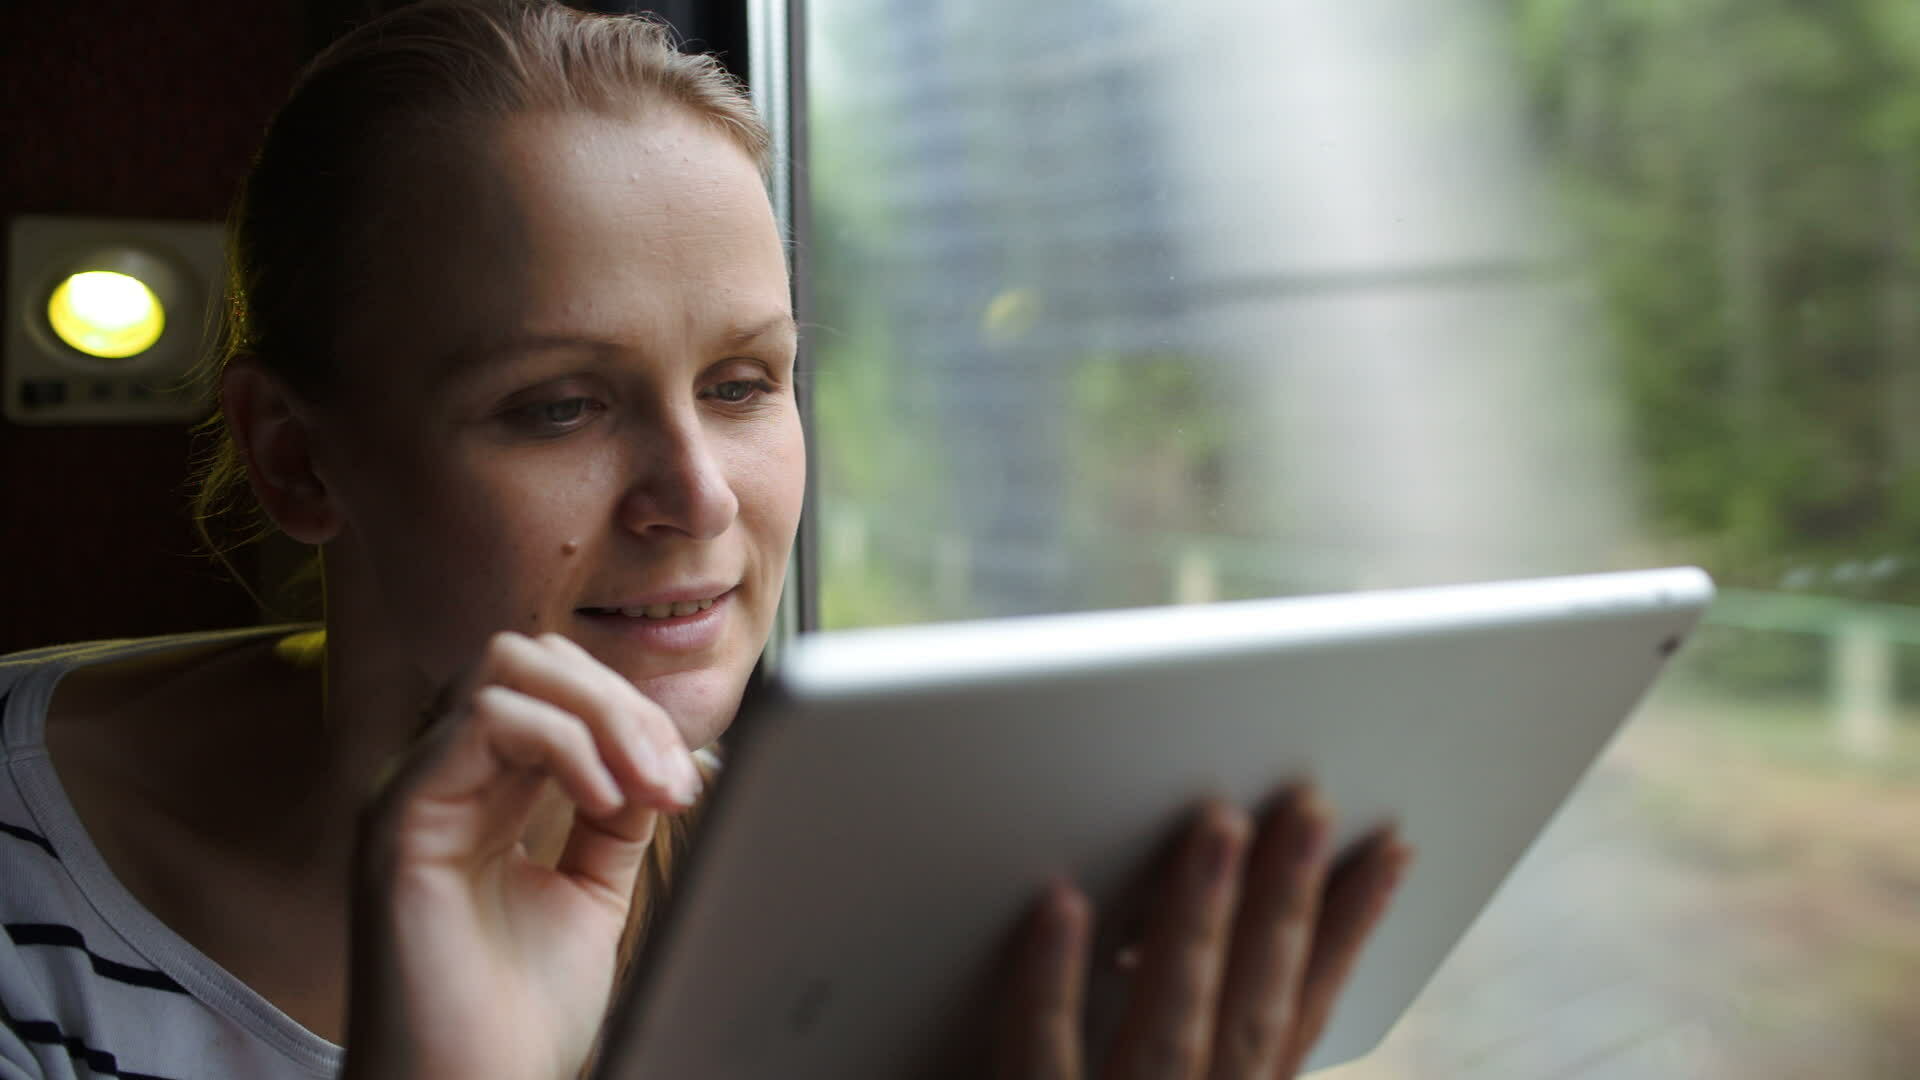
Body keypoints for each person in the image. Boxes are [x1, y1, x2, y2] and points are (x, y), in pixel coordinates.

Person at [0, 2, 1411, 1077]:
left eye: (744, 384)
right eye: (557, 407)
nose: (701, 495)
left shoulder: (884, 915)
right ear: (298, 459)